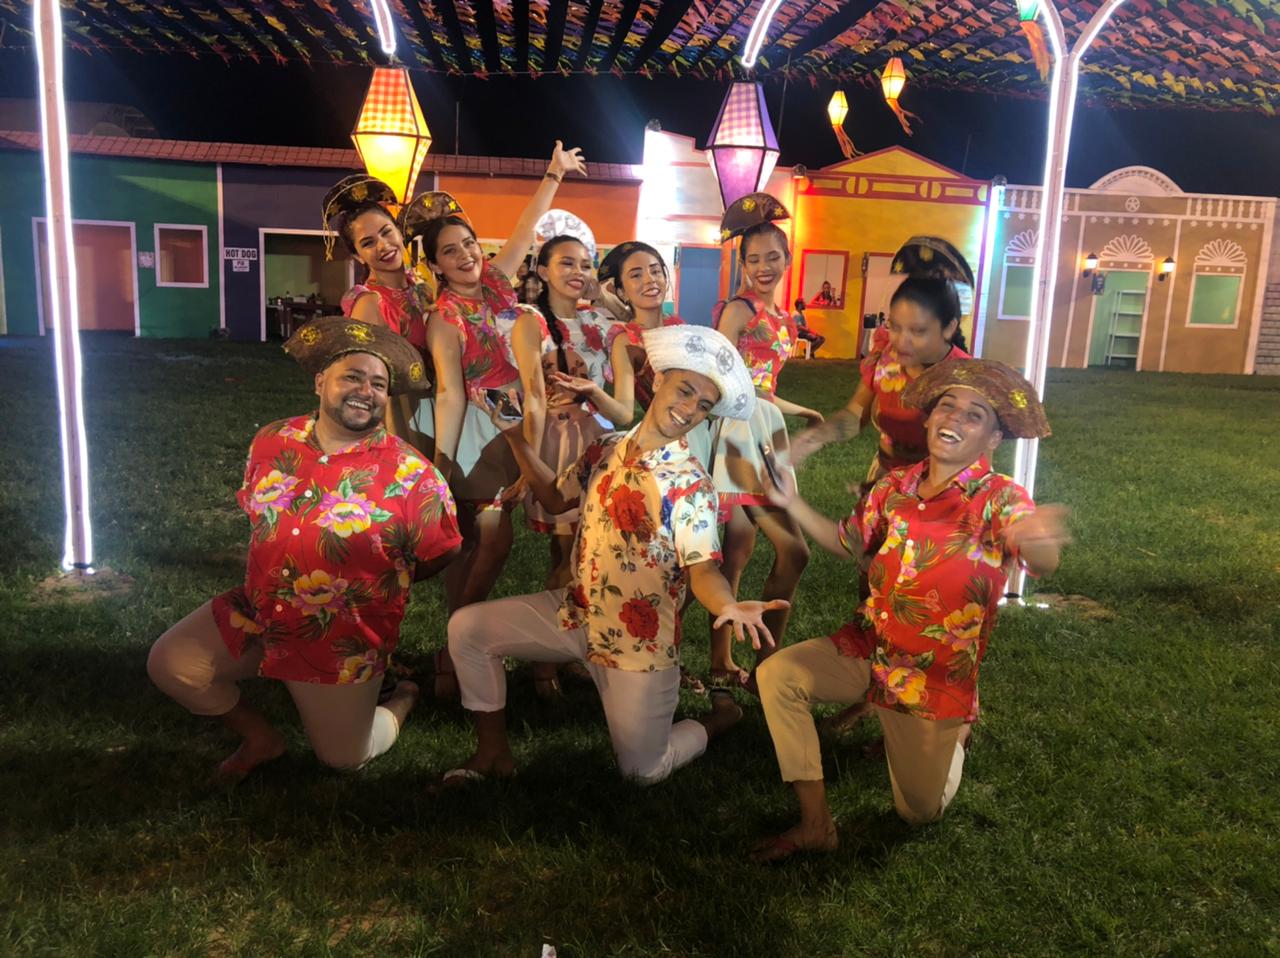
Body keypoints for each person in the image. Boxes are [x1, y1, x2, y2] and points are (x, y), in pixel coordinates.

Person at [750, 359, 1068, 861]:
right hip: (869, 646)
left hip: (930, 678)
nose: (955, 417)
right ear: (929, 417)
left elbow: (1042, 560)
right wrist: (790, 501)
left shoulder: (1001, 498)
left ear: (992, 439)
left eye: (974, 415)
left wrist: (1039, 539)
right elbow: (848, 541)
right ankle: (815, 824)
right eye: (948, 406)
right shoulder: (893, 487)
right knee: (778, 675)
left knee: (918, 812)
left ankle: (957, 732)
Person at [443, 325, 786, 786]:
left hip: (638, 645)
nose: (690, 408)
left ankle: (717, 720)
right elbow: (555, 497)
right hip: (575, 614)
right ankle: (492, 754)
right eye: (685, 390)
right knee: (466, 629)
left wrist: (726, 603)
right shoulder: (605, 447)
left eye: (704, 405)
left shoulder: (690, 484)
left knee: (642, 772)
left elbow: (703, 569)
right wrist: (514, 437)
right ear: (658, 380)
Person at [146, 318, 462, 780]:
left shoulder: (413, 475)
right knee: (172, 664)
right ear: (320, 382)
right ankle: (262, 739)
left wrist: (381, 582)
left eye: (378, 384)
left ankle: (401, 697)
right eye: (352, 377)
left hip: (337, 639)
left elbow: (442, 551)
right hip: (260, 612)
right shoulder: (271, 441)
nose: (365, 391)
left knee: (345, 757)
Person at [418, 142, 588, 698]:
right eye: (450, 251)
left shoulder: (495, 283)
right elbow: (449, 393)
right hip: (480, 431)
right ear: (435, 265)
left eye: (468, 244)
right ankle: (457, 643)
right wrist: (442, 466)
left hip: (523, 422)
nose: (465, 255)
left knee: (479, 543)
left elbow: (524, 228)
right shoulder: (443, 319)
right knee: (489, 539)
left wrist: (553, 174)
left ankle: (457, 649)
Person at [708, 192, 823, 695]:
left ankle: (726, 664)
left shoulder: (783, 318)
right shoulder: (738, 309)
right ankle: (761, 669)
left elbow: (764, 384)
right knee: (792, 551)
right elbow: (718, 374)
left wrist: (800, 411)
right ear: (743, 263)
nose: (763, 267)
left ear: (787, 258)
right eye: (753, 259)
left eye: (772, 257)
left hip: (765, 429)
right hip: (738, 434)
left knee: (736, 550)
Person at [790, 237, 976, 489]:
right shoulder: (887, 358)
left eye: (917, 330)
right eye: (895, 326)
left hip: (939, 490)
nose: (901, 341)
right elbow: (855, 416)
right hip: (885, 479)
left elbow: (977, 464)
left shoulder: (965, 378)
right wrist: (811, 440)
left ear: (949, 327)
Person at [324, 175, 435, 451]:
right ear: (358, 256)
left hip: (441, 407)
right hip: (403, 418)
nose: (383, 246)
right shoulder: (369, 304)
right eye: (368, 243)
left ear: (399, 231)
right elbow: (360, 382)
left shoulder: (422, 288)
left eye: (386, 232)